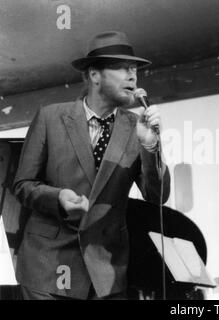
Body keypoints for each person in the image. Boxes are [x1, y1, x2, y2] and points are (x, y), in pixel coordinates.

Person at [12, 31, 171, 300]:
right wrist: (58, 197)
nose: (132, 75)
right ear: (94, 75)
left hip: (105, 273)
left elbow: (157, 196)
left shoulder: (137, 127)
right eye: (122, 68)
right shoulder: (51, 117)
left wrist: (151, 147)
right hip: (47, 267)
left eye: (134, 69)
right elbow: (22, 185)